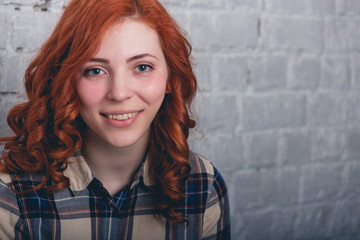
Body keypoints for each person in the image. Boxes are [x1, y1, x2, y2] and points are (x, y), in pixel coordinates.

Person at [0, 0, 230, 239]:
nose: (119, 94)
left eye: (142, 67)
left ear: (171, 78)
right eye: (95, 71)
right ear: (67, 82)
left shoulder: (204, 185)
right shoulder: (11, 194)